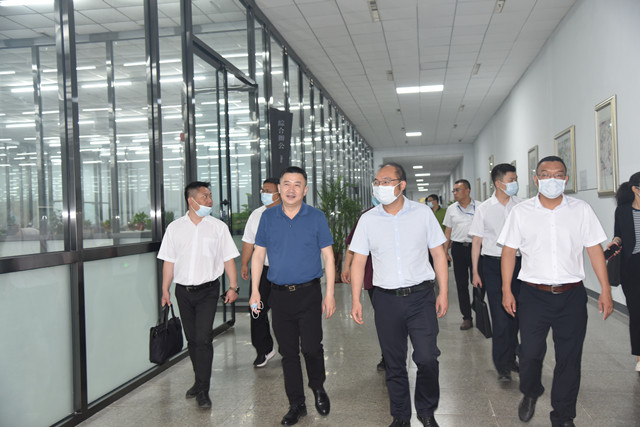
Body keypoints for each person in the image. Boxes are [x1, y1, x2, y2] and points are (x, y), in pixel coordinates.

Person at [498, 156, 614, 427]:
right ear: (536, 179)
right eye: (545, 174)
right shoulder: (521, 212)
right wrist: (506, 290)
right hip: (533, 295)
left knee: (569, 359)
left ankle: (563, 416)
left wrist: (605, 290)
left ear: (566, 179)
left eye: (558, 174)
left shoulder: (581, 210)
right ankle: (530, 390)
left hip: (571, 295)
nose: (552, 179)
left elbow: (594, 249)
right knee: (530, 353)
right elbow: (509, 252)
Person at [349, 162, 449, 427]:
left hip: (421, 297)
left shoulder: (423, 214)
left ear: (401, 185)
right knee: (394, 363)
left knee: (427, 358)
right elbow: (358, 262)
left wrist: (444, 292)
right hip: (385, 300)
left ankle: (426, 410)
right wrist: (356, 299)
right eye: (377, 182)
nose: (380, 186)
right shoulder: (368, 219)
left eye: (386, 181)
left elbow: (439, 254)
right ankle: (401, 416)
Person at [249, 166, 336, 426]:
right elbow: (258, 255)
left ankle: (317, 386)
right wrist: (255, 290)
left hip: (309, 293)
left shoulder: (316, 217)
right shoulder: (268, 217)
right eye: (287, 184)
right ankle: (296, 404)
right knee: (288, 353)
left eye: (297, 184)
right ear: (279, 189)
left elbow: (328, 256)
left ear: (305, 190)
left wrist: (330, 294)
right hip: (279, 295)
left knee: (311, 347)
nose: (291, 189)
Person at [157, 181, 240, 409]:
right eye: (205, 196)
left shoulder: (218, 227)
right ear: (191, 200)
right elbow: (169, 262)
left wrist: (233, 287)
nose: (210, 200)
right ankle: (198, 380)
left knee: (203, 338)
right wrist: (165, 290)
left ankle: (203, 390)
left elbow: (228, 259)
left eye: (210, 196)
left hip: (208, 291)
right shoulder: (175, 228)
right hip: (183, 292)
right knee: (192, 340)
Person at [469, 163, 523, 381]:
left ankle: (511, 358)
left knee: (517, 316)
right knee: (500, 317)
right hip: (492, 265)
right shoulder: (484, 209)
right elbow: (476, 242)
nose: (515, 183)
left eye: (515, 179)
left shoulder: (522, 206)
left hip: (519, 265)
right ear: (498, 183)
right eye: (512, 180)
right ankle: (502, 366)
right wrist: (475, 272)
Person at [341, 196, 385, 371]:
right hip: (373, 277)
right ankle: (387, 356)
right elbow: (352, 245)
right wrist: (346, 266)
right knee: (383, 318)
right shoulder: (366, 216)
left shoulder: (408, 215)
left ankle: (395, 354)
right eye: (377, 184)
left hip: (401, 279)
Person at [240, 177, 281, 368]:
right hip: (262, 270)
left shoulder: (289, 212)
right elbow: (248, 242)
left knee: (283, 312)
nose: (264, 194)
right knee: (257, 310)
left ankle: (288, 348)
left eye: (268, 191)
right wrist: (244, 264)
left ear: (279, 193)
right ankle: (263, 349)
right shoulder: (256, 215)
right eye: (263, 190)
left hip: (284, 271)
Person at [607, 171, 640, 372]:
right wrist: (614, 242)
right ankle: (639, 356)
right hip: (632, 267)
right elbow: (618, 235)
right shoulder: (623, 211)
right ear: (635, 189)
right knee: (636, 312)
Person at [443, 179, 480, 330]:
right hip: (458, 248)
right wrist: (445, 252)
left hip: (477, 248)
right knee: (461, 284)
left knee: (479, 282)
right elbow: (448, 232)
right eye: (454, 191)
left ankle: (476, 305)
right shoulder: (451, 209)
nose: (455, 193)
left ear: (467, 190)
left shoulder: (480, 207)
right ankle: (467, 317)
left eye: (457, 190)